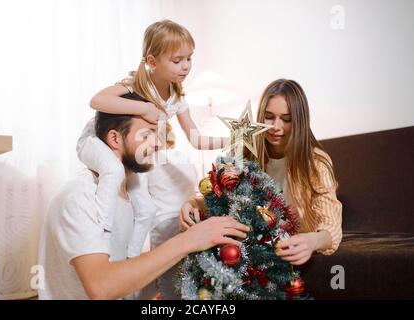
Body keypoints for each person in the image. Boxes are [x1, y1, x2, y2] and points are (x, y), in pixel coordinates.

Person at [38, 93, 249, 299]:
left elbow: (126, 272)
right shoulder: (80, 197)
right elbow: (101, 287)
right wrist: (188, 241)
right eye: (147, 134)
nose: (158, 144)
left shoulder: (132, 192)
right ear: (115, 139)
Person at [77, 20, 229, 259]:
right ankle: (101, 238)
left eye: (189, 58)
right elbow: (97, 101)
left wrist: (230, 140)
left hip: (131, 154)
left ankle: (132, 259)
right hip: (97, 142)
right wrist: (146, 109)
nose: (186, 66)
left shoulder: (177, 98)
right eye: (177, 60)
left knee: (146, 209)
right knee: (114, 172)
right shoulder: (136, 85)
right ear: (152, 62)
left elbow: (196, 139)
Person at [180, 79, 342, 266]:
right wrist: (190, 203)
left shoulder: (316, 162)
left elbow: (332, 225)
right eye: (269, 116)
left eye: (287, 119)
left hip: (288, 246)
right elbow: (215, 193)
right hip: (252, 242)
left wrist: (312, 241)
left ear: (300, 120)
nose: (276, 126)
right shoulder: (246, 153)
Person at [130, 122, 198, 300]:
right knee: (189, 276)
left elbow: (141, 200)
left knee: (167, 278)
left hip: (163, 223)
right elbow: (194, 188)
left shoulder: (148, 162)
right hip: (190, 219)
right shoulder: (184, 158)